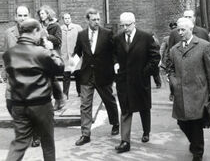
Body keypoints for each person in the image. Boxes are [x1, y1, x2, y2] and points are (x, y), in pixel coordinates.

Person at [3, 18, 64, 161]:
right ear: (35, 31)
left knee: (19, 143)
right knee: (47, 142)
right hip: (40, 104)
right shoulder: (41, 53)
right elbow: (59, 68)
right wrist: (51, 50)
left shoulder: (9, 54)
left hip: (18, 103)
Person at [167, 17, 210, 161]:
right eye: (178, 30)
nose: (180, 33)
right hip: (180, 92)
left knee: (195, 123)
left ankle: (198, 153)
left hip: (198, 92)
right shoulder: (174, 49)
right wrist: (173, 81)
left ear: (191, 29)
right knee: (181, 122)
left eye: (183, 29)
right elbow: (170, 68)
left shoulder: (203, 46)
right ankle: (194, 143)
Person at [113, 12, 160, 153]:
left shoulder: (145, 37)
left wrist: (144, 73)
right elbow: (113, 54)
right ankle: (125, 141)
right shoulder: (117, 38)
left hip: (140, 81)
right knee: (125, 110)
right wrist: (115, 63)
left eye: (128, 25)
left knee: (144, 108)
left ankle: (146, 131)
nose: (125, 28)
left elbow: (155, 57)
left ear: (134, 23)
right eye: (123, 25)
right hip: (124, 81)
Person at [73, 8, 120, 146]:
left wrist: (116, 64)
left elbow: (114, 52)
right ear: (87, 20)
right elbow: (77, 52)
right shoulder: (81, 35)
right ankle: (85, 134)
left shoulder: (107, 34)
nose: (96, 22)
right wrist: (70, 66)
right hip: (86, 75)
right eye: (93, 20)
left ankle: (115, 122)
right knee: (85, 105)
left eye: (98, 19)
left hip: (103, 74)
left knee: (109, 100)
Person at [3, 5, 42, 148]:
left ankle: (35, 133)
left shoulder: (36, 31)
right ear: (15, 17)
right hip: (13, 76)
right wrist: (4, 73)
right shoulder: (9, 33)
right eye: (20, 15)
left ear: (29, 16)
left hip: (31, 77)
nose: (22, 18)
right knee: (10, 104)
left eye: (25, 15)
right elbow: (5, 53)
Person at [38, 5, 66, 111]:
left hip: (52, 55)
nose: (41, 16)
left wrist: (47, 36)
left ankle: (56, 100)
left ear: (48, 14)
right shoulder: (39, 25)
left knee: (50, 77)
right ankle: (59, 100)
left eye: (43, 13)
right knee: (50, 77)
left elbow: (58, 40)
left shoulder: (55, 26)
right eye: (40, 14)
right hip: (42, 54)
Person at [60, 13, 83, 99]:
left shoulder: (77, 28)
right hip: (65, 55)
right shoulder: (60, 29)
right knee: (66, 75)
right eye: (65, 18)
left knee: (78, 74)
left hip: (75, 55)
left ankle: (80, 92)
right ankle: (65, 94)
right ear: (63, 19)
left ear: (71, 18)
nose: (67, 20)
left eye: (68, 18)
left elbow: (82, 40)